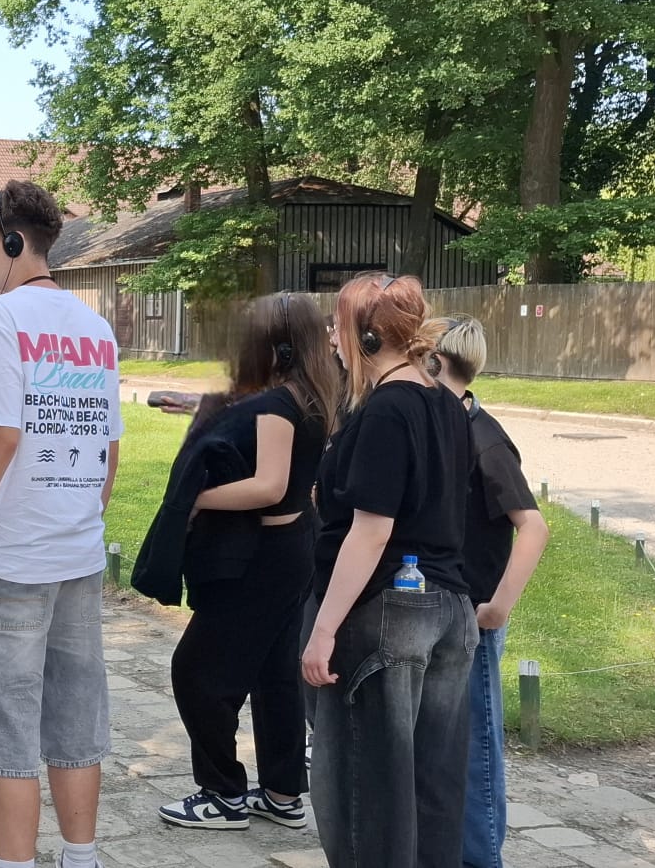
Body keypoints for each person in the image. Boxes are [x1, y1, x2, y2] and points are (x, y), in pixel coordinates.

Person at [0, 180, 120, 868]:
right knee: (75, 720)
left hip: (6, 556)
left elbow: (1, 435)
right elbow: (109, 446)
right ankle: (81, 857)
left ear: (13, 242)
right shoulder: (96, 328)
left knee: (5, 732)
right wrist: (79, 518)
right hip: (76, 553)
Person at [146, 294, 340, 831]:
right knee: (275, 675)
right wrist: (202, 405)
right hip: (293, 549)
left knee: (196, 670)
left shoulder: (279, 404)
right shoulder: (311, 393)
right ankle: (281, 792)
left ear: (277, 347)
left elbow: (268, 486)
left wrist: (195, 499)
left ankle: (223, 794)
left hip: (263, 559)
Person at [300, 273, 475, 868]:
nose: (332, 337)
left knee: (366, 795)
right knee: (432, 790)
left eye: (338, 326)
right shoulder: (447, 404)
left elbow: (372, 530)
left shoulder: (387, 410)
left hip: (389, 613)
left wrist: (323, 629)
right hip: (450, 611)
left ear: (368, 338)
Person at [423, 315, 548, 868]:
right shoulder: (438, 427)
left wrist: (499, 606)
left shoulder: (484, 438)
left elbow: (534, 527)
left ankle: (481, 857)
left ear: (435, 361)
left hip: (474, 617)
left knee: (476, 745)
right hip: (441, 608)